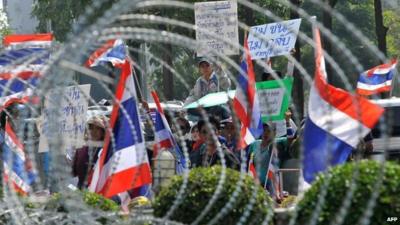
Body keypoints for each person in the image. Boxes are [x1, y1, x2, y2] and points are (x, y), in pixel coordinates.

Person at [72, 115, 107, 189]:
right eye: (91, 128)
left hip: (98, 192)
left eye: (98, 128)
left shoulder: (107, 151)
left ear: (103, 132)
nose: (94, 131)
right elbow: (73, 172)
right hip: (81, 190)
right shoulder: (80, 149)